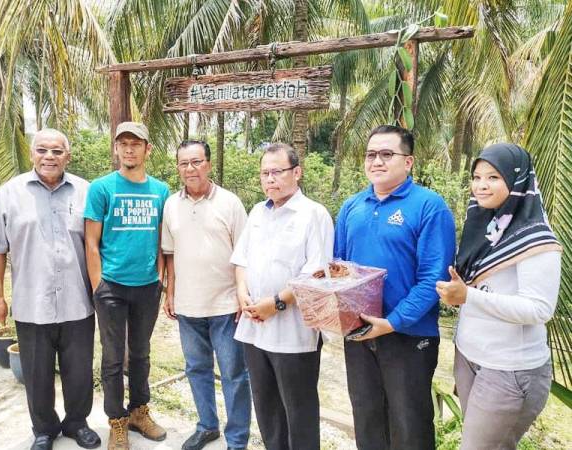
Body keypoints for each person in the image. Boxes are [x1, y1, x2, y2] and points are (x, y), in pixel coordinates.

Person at [0, 129, 100, 450]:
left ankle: (77, 423)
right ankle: (43, 429)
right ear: (32, 154)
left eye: (57, 151)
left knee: (79, 371)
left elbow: (98, 245)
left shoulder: (86, 192)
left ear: (67, 157)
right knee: (37, 372)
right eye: (42, 150)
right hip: (32, 303)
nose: (49, 157)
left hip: (78, 302)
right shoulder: (10, 193)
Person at [334, 125, 456, 450]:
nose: (377, 161)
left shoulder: (429, 206)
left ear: (409, 162)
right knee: (367, 420)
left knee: (409, 426)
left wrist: (392, 322)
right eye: (371, 154)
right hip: (359, 334)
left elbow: (434, 278)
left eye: (387, 154)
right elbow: (340, 269)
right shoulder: (351, 207)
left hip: (408, 335)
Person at [436, 143, 561, 450]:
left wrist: (468, 297)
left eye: (493, 177)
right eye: (476, 177)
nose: (481, 185)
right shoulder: (485, 226)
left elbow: (539, 309)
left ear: (517, 180)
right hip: (470, 359)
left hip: (509, 369)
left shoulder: (535, 237)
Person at [230, 143, 334, 450]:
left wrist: (276, 304)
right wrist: (241, 291)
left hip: (293, 334)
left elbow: (318, 274)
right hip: (254, 329)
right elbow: (241, 260)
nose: (270, 179)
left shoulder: (313, 214)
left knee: (299, 413)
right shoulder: (257, 212)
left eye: (277, 171)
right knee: (266, 410)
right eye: (265, 173)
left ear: (297, 173)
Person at [161, 140, 251, 450]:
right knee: (196, 370)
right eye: (184, 163)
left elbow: (245, 255)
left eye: (196, 162)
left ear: (208, 164)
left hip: (226, 306)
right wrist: (170, 293)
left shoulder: (230, 203)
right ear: (178, 167)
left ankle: (237, 438)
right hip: (188, 306)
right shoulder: (171, 205)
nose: (190, 168)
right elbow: (170, 255)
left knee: (233, 374)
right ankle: (207, 426)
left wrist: (243, 294)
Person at [84, 122, 169, 450]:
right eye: (123, 144)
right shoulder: (102, 188)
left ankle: (139, 412)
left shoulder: (161, 191)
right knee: (113, 357)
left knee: (142, 353)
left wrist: (161, 278)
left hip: (148, 286)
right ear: (116, 149)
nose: (129, 149)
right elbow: (91, 242)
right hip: (112, 288)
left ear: (147, 149)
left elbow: (163, 240)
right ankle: (116, 421)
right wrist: (98, 286)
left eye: (136, 144)